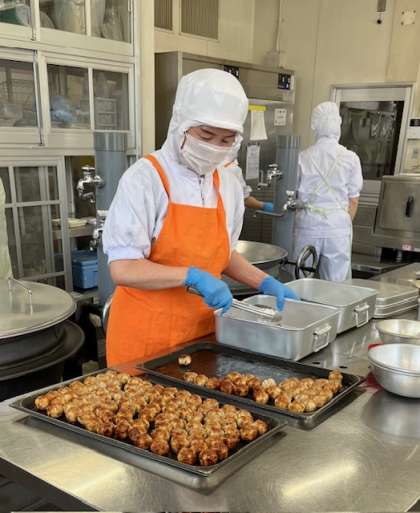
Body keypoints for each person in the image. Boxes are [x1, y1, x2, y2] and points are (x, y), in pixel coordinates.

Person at [102, 69, 298, 366]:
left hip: (200, 336)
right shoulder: (146, 179)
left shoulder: (227, 185)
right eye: (206, 135)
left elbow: (223, 254)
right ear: (180, 124)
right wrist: (190, 276)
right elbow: (123, 267)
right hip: (145, 339)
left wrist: (265, 282)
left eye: (225, 140)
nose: (214, 147)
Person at [293, 101, 363, 281]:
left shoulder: (302, 157)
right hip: (337, 227)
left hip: (308, 226)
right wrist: (339, 222)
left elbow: (292, 194)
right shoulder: (351, 158)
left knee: (301, 280)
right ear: (338, 124)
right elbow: (353, 200)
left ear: (315, 125)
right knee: (335, 285)